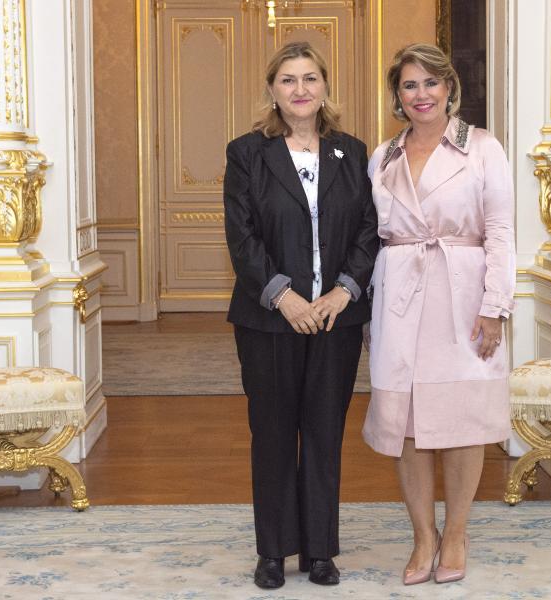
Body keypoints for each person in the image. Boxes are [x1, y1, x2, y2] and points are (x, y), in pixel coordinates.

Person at [223, 41, 378, 590]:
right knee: (271, 433)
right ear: (272, 90)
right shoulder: (246, 153)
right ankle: (272, 551)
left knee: (323, 433)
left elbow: (368, 232)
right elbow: (241, 239)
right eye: (288, 80)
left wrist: (343, 293)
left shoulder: (353, 153)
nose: (300, 89)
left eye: (310, 78)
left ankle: (320, 550)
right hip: (269, 320)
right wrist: (284, 297)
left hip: (337, 317)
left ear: (325, 87)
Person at [362, 43, 515, 585]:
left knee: (461, 420)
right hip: (401, 294)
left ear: (450, 87)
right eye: (409, 85)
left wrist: (494, 306)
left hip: (463, 293)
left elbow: (499, 230)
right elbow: (367, 235)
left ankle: (456, 534)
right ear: (397, 96)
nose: (421, 94)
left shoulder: (481, 148)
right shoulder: (382, 156)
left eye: (430, 83)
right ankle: (422, 536)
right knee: (406, 423)